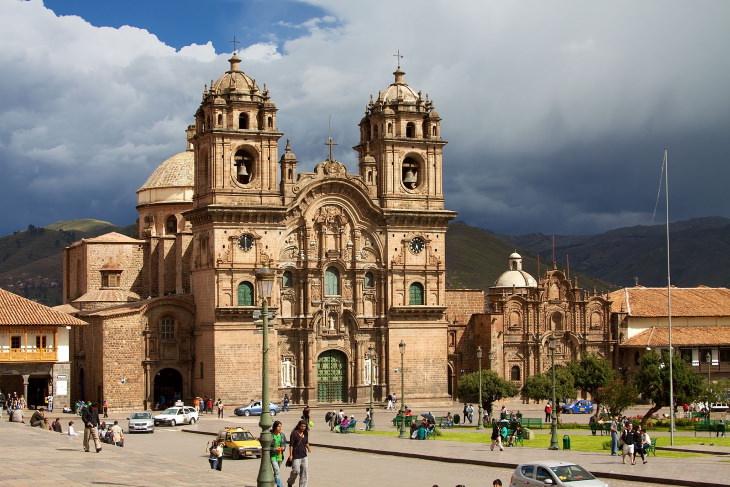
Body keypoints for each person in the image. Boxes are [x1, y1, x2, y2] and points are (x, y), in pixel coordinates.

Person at [287, 419, 312, 487]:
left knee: (305, 472)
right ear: (298, 426)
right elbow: (291, 445)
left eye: (304, 426)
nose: (303, 428)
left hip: (304, 455)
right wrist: (291, 455)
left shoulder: (305, 433)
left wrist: (308, 448)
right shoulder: (294, 433)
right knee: (296, 471)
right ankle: (290, 482)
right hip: (296, 456)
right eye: (301, 426)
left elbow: (306, 442)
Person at [271, 420, 288, 487]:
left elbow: (284, 444)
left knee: (276, 473)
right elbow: (267, 447)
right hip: (273, 456)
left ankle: (272, 483)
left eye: (281, 426)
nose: (280, 428)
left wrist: (283, 447)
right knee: (277, 471)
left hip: (280, 456)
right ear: (275, 427)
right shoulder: (271, 435)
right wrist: (275, 449)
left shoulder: (282, 435)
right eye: (279, 426)